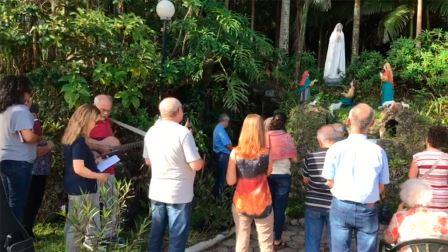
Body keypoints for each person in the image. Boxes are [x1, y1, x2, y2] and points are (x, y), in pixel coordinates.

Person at [322, 103, 390, 252]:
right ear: (372, 124)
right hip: (368, 207)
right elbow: (382, 186)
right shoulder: (378, 151)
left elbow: (329, 181)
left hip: (341, 205)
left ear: (348, 121)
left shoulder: (335, 149)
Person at [143, 97, 204, 252]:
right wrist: (202, 160)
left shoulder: (151, 132)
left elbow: (148, 161)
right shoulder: (183, 133)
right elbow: (196, 165)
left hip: (157, 190)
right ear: (178, 112)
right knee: (177, 237)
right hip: (178, 192)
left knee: (155, 234)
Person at [62, 104, 109, 252]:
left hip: (77, 188)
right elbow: (79, 168)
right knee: (86, 228)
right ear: (86, 120)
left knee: (75, 227)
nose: (95, 125)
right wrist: (99, 175)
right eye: (94, 121)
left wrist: (93, 163)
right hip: (84, 191)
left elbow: (78, 163)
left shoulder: (71, 139)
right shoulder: (79, 142)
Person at [227, 114, 274, 252]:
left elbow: (230, 181)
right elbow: (268, 173)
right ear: (261, 130)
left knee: (241, 241)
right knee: (266, 244)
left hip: (241, 203)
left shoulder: (235, 153)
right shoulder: (267, 153)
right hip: (263, 202)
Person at [0, 75, 41, 222]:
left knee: (7, 203)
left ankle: (5, 237)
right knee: (17, 203)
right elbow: (28, 137)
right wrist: (39, 138)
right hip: (19, 162)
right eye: (28, 92)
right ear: (22, 92)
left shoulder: (5, 111)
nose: (30, 95)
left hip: (4, 160)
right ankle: (14, 238)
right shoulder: (20, 110)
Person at [87, 94, 121, 241]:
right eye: (102, 110)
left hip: (109, 168)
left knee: (112, 202)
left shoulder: (107, 121)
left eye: (108, 110)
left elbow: (109, 143)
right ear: (94, 106)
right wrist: (100, 146)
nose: (106, 113)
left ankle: (110, 235)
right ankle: (92, 239)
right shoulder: (87, 121)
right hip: (92, 169)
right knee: (92, 205)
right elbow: (80, 140)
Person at [303, 125, 341, 252]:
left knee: (312, 240)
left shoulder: (310, 157)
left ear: (319, 140)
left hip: (313, 203)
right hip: (334, 205)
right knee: (334, 242)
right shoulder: (341, 157)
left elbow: (306, 179)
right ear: (335, 140)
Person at [265, 112, 297, 249]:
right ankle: (277, 240)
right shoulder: (287, 137)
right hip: (283, 175)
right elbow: (295, 159)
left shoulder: (266, 136)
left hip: (268, 175)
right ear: (285, 122)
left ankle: (265, 238)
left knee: (268, 206)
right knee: (280, 208)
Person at [23, 103, 55, 238]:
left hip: (40, 172)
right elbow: (31, 150)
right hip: (31, 171)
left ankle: (28, 230)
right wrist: (48, 147)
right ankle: (25, 233)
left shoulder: (34, 121)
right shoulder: (25, 124)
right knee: (29, 203)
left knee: (35, 202)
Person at [384, 179, 448, 244]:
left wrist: (398, 212)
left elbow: (389, 239)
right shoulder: (441, 218)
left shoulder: (400, 217)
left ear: (405, 196)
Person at [409, 126, 448, 211]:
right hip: (444, 201)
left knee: (425, 223)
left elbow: (411, 181)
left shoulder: (418, 157)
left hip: (424, 200)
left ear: (427, 140)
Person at [212, 113, 233, 198]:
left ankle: (216, 195)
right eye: (227, 121)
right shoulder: (220, 129)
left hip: (219, 155)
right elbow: (228, 145)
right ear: (224, 121)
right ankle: (218, 198)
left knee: (220, 176)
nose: (228, 124)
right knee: (222, 177)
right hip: (222, 155)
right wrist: (235, 151)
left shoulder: (218, 128)